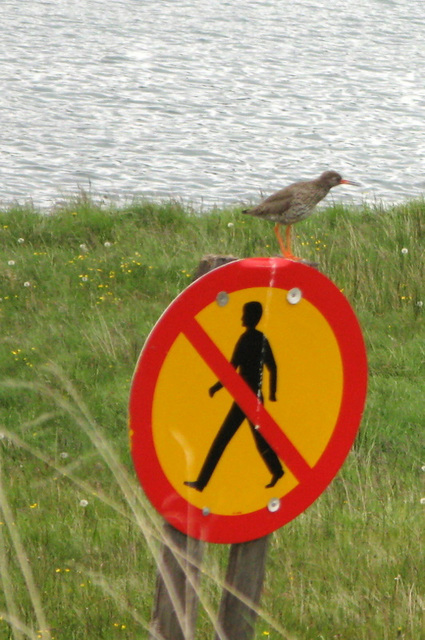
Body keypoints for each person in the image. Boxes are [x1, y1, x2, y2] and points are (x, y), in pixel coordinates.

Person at [184, 301, 284, 491]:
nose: (241, 317)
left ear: (252, 317)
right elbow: (267, 367)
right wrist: (271, 393)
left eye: (244, 314)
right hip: (248, 397)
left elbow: (234, 369)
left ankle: (202, 483)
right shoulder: (257, 338)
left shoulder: (249, 339)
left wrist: (273, 392)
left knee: (225, 440)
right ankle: (277, 471)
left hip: (248, 399)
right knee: (257, 439)